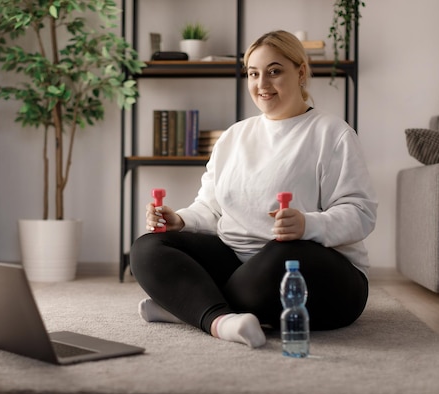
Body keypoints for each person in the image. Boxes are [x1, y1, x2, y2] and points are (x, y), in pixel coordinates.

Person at [130, 30, 378, 349]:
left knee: (281, 256)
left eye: (274, 71)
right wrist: (180, 220)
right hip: (238, 262)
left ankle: (191, 306)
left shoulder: (333, 134)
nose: (262, 84)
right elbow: (211, 208)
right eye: (253, 73)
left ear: (300, 72)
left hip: (316, 271)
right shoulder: (234, 137)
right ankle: (220, 320)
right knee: (148, 248)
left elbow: (361, 214)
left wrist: (308, 224)